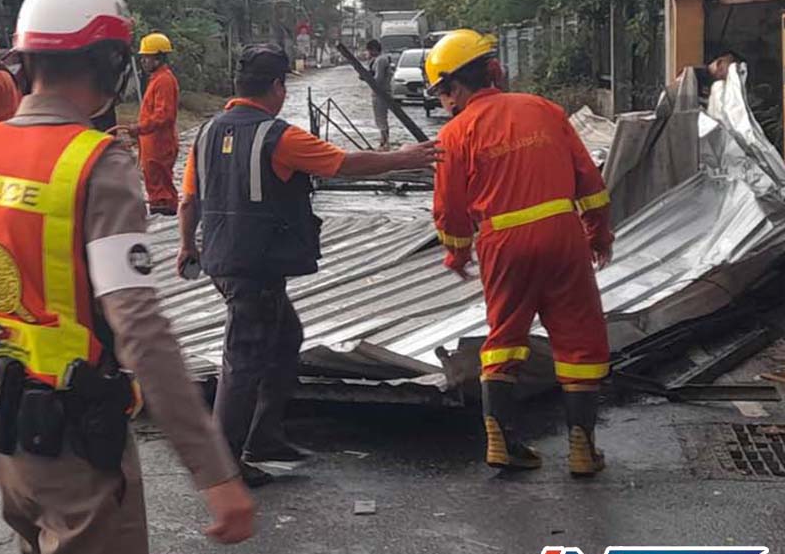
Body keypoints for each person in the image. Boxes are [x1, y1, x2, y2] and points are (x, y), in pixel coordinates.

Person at [0, 0, 253, 554]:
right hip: (77, 445)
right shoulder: (95, 164)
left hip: (2, 434)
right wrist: (214, 468)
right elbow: (139, 327)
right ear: (110, 65)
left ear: (26, 61)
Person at [177, 46, 442, 487]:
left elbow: (189, 199)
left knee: (286, 338)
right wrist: (403, 157)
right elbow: (343, 163)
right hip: (256, 264)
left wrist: (187, 245)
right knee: (243, 359)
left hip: (225, 258)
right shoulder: (278, 136)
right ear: (278, 87)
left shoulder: (206, 132)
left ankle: (263, 438)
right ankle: (223, 465)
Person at [425, 29, 613, 478]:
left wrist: (457, 254)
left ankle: (501, 441)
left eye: (441, 93)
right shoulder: (544, 109)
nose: (443, 103)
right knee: (578, 337)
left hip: (503, 243)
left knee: (505, 336)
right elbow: (589, 181)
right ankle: (582, 448)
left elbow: (449, 209)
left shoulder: (453, 134)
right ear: (493, 70)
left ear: (453, 87)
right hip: (563, 234)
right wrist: (598, 234)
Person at [113, 32, 180, 216]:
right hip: (152, 143)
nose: (143, 61)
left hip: (160, 144)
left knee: (161, 188)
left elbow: (164, 115)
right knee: (155, 184)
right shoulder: (157, 79)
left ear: (158, 58)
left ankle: (165, 216)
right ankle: (160, 212)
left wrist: (140, 128)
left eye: (147, 57)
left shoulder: (164, 81)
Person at [365, 39, 393, 149]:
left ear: (373, 49)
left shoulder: (381, 60)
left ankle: (385, 142)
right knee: (380, 118)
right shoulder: (377, 60)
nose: (368, 53)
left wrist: (367, 78)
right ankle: (384, 141)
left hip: (381, 93)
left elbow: (378, 79)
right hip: (379, 93)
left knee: (381, 118)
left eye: (369, 50)